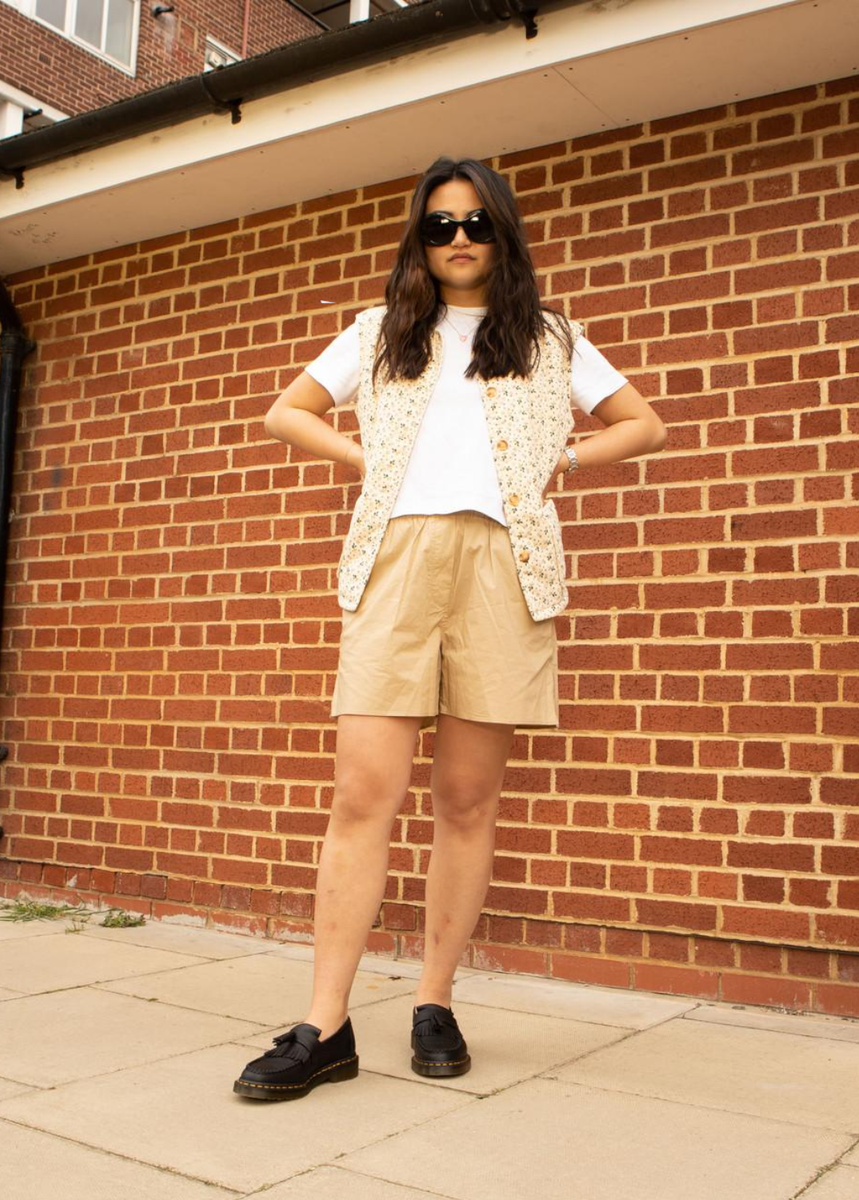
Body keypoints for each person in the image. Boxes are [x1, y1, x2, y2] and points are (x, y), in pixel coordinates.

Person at [233, 156, 666, 1102]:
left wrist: (565, 458)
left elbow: (644, 423)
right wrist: (368, 459)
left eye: (476, 222)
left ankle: (435, 1001)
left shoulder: (550, 337)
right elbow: (287, 412)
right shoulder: (380, 331)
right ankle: (324, 1024)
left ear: (502, 233)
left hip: (506, 568)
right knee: (364, 792)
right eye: (440, 225)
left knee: (467, 800)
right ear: (419, 240)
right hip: (396, 560)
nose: (459, 238)